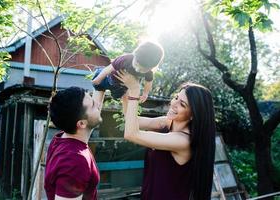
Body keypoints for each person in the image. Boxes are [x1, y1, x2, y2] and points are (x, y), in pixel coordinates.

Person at [115, 71, 216, 200]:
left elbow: (131, 134)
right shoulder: (167, 122)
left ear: (193, 115)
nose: (174, 104)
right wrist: (125, 92)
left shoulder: (183, 141)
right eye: (176, 98)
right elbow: (133, 121)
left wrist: (135, 91)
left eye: (182, 104)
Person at [44, 87, 102, 200]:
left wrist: (101, 85)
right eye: (94, 106)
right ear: (81, 123)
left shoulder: (63, 138)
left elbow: (91, 116)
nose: (98, 105)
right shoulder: (74, 160)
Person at [92, 41, 164, 111]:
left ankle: (126, 117)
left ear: (151, 68)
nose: (137, 70)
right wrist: (98, 79)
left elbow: (148, 82)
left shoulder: (149, 72)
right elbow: (110, 68)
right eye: (136, 65)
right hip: (107, 78)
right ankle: (95, 108)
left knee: (120, 97)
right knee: (98, 97)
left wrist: (145, 93)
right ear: (134, 54)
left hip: (120, 87)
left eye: (143, 70)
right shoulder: (125, 59)